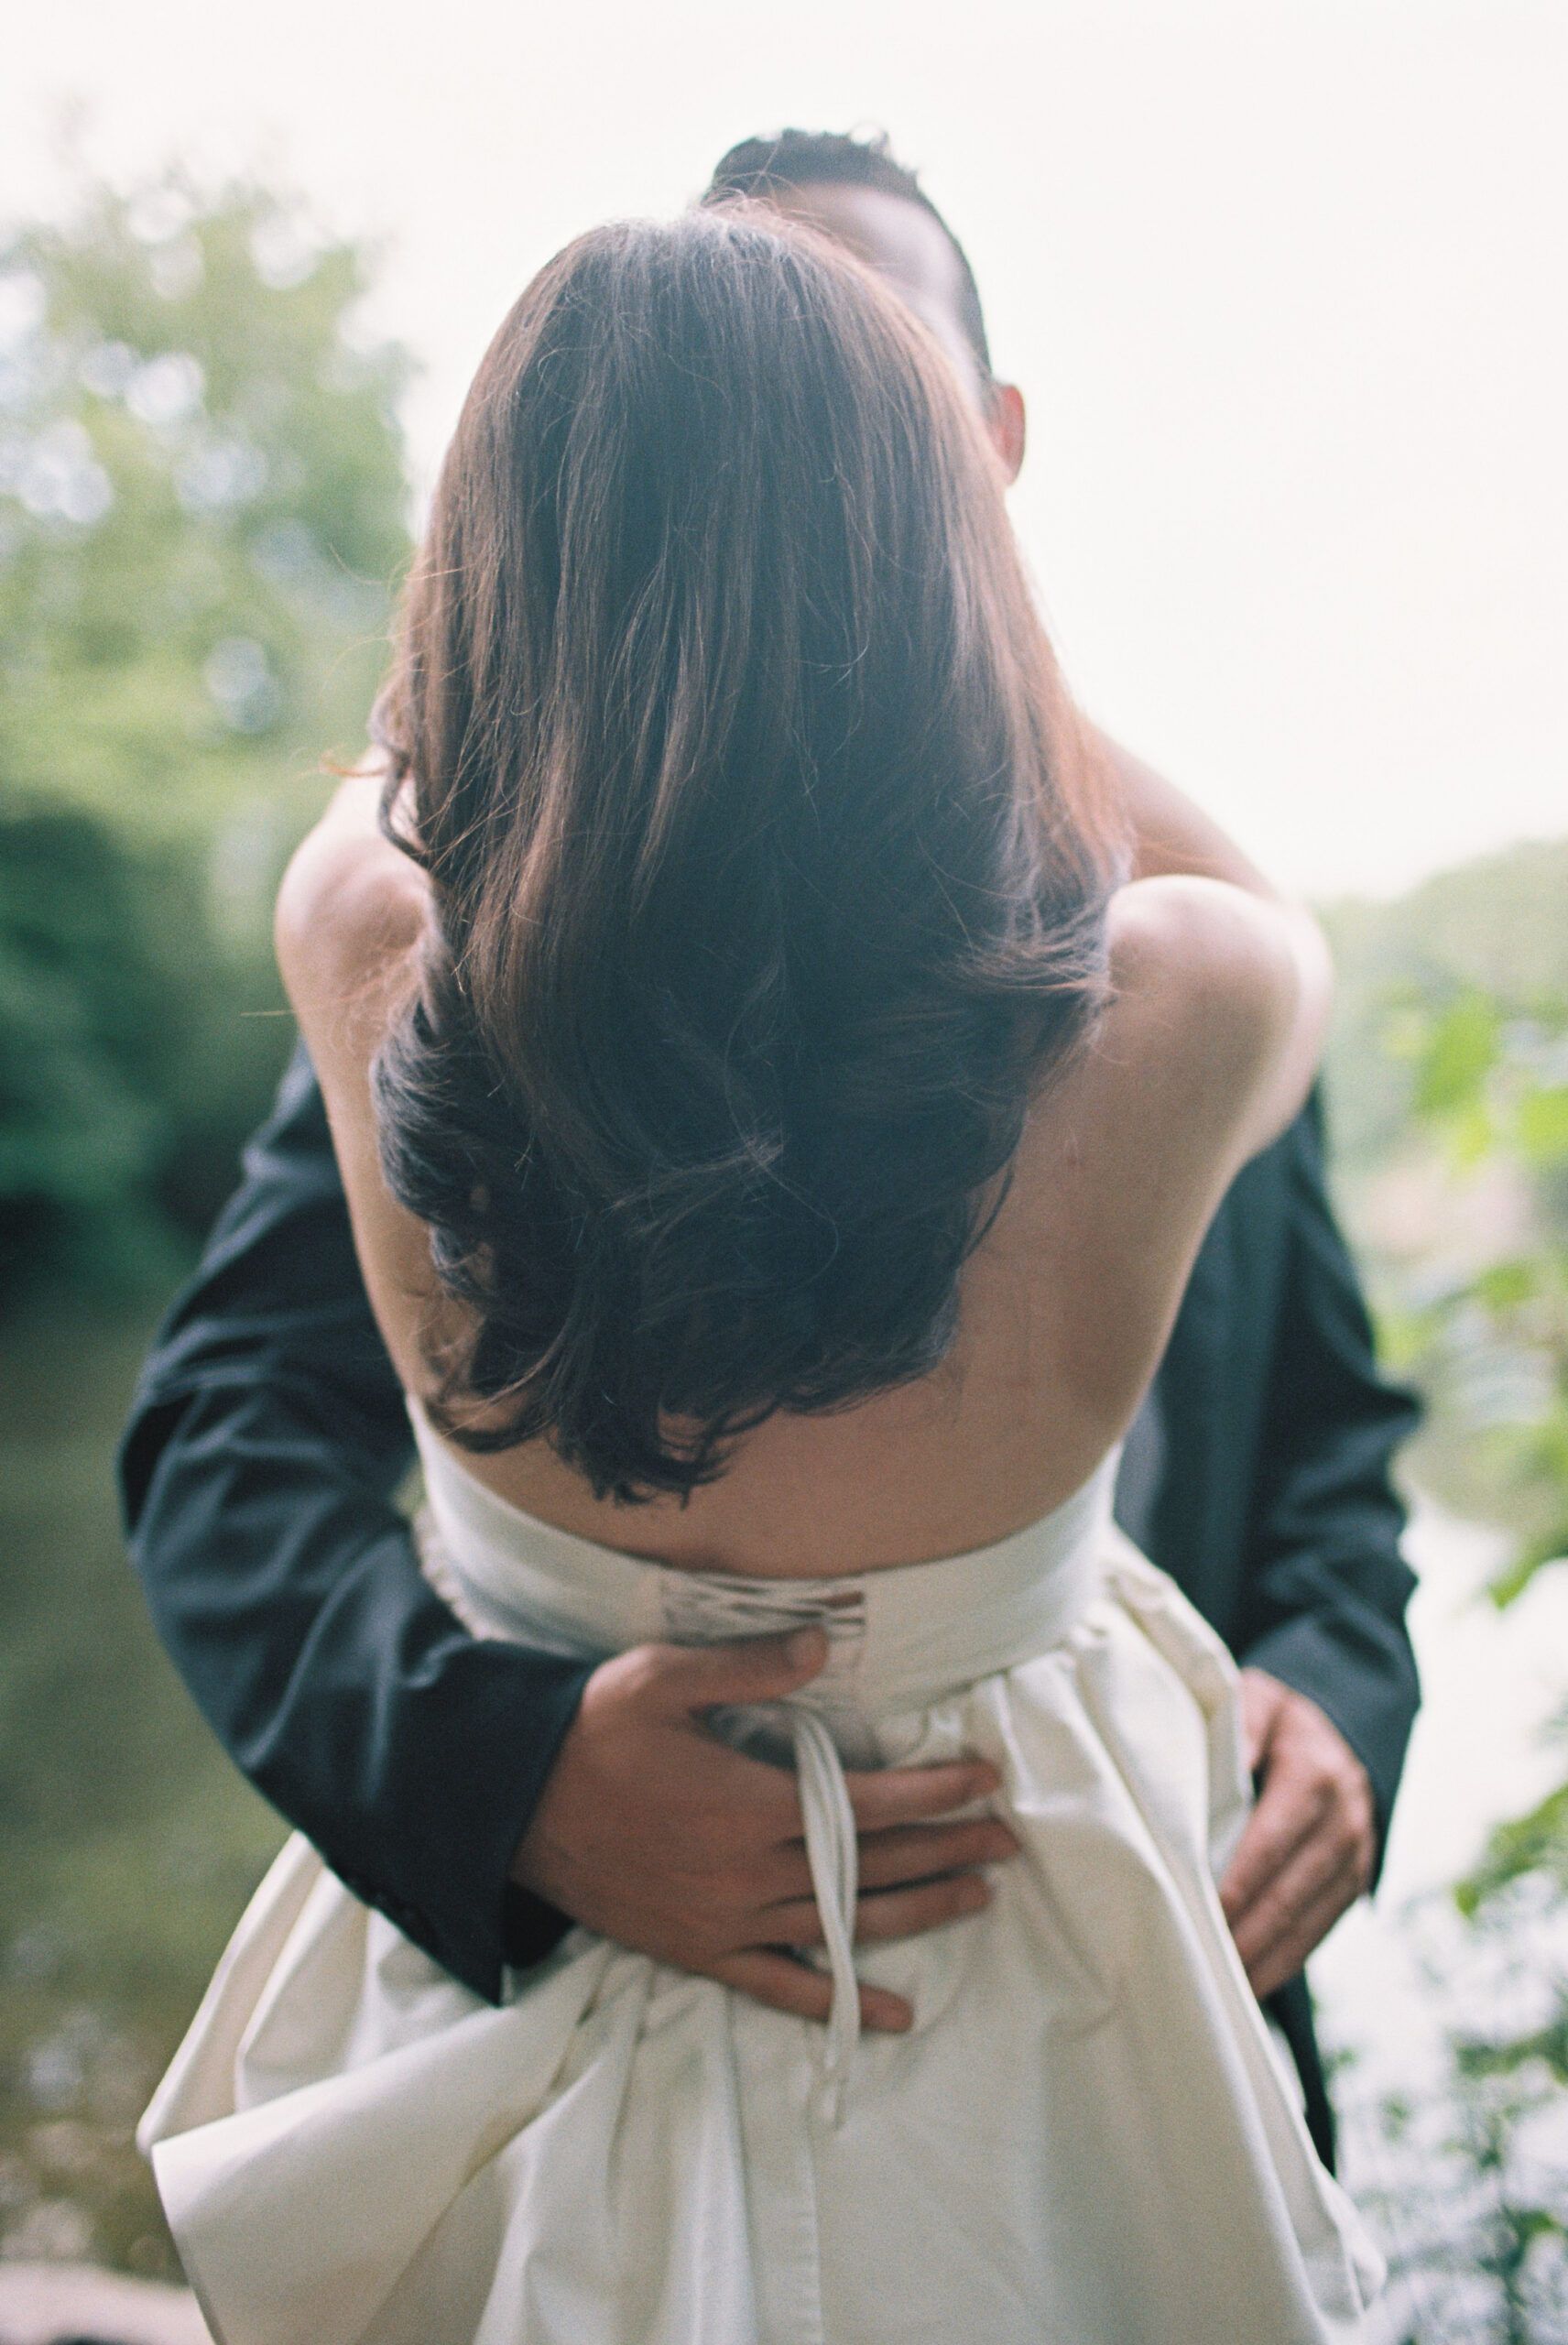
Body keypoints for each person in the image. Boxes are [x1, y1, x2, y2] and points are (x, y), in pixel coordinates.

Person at [135, 198, 1387, 2341]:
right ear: (948, 541)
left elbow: (1335, 1450)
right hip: (1030, 2045)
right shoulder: (1170, 1015)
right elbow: (223, 1434)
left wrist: (585, 601)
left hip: (497, 2083)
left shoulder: (357, 946)